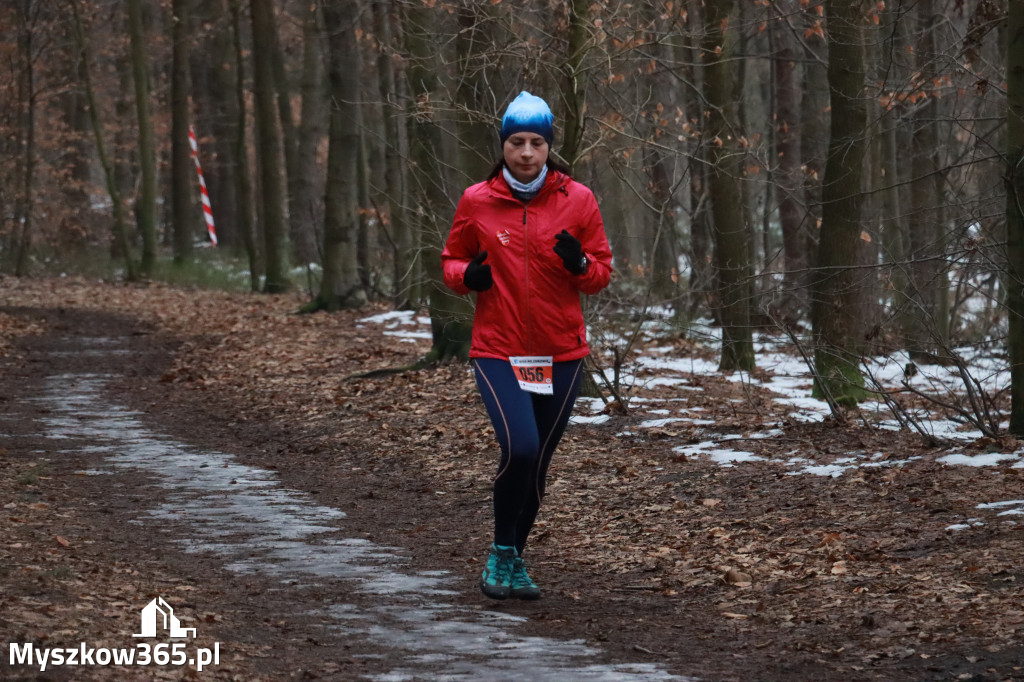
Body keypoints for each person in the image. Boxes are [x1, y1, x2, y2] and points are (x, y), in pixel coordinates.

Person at [441, 91, 613, 600]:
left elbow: (600, 274)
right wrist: (467, 275)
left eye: (537, 142)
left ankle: (512, 559)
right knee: (521, 447)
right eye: (517, 142)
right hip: (498, 349)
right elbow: (451, 261)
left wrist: (581, 264)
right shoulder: (478, 199)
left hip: (561, 354)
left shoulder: (577, 199)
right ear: (503, 146)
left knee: (538, 463)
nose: (527, 152)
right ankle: (500, 550)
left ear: (548, 146)